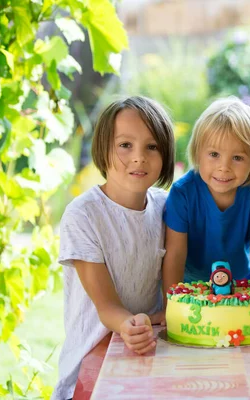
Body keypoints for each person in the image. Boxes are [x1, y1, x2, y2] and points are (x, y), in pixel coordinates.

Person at [52, 96, 175, 400]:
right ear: (103, 148)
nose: (139, 158)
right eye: (125, 145)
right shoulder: (84, 215)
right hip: (92, 363)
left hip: (143, 354)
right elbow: (106, 307)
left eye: (152, 146)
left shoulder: (163, 206)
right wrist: (128, 325)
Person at [162, 97, 250, 300]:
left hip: (243, 287)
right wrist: (170, 304)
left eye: (237, 158)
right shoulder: (183, 193)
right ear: (198, 153)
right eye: (214, 154)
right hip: (191, 289)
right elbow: (175, 254)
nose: (224, 167)